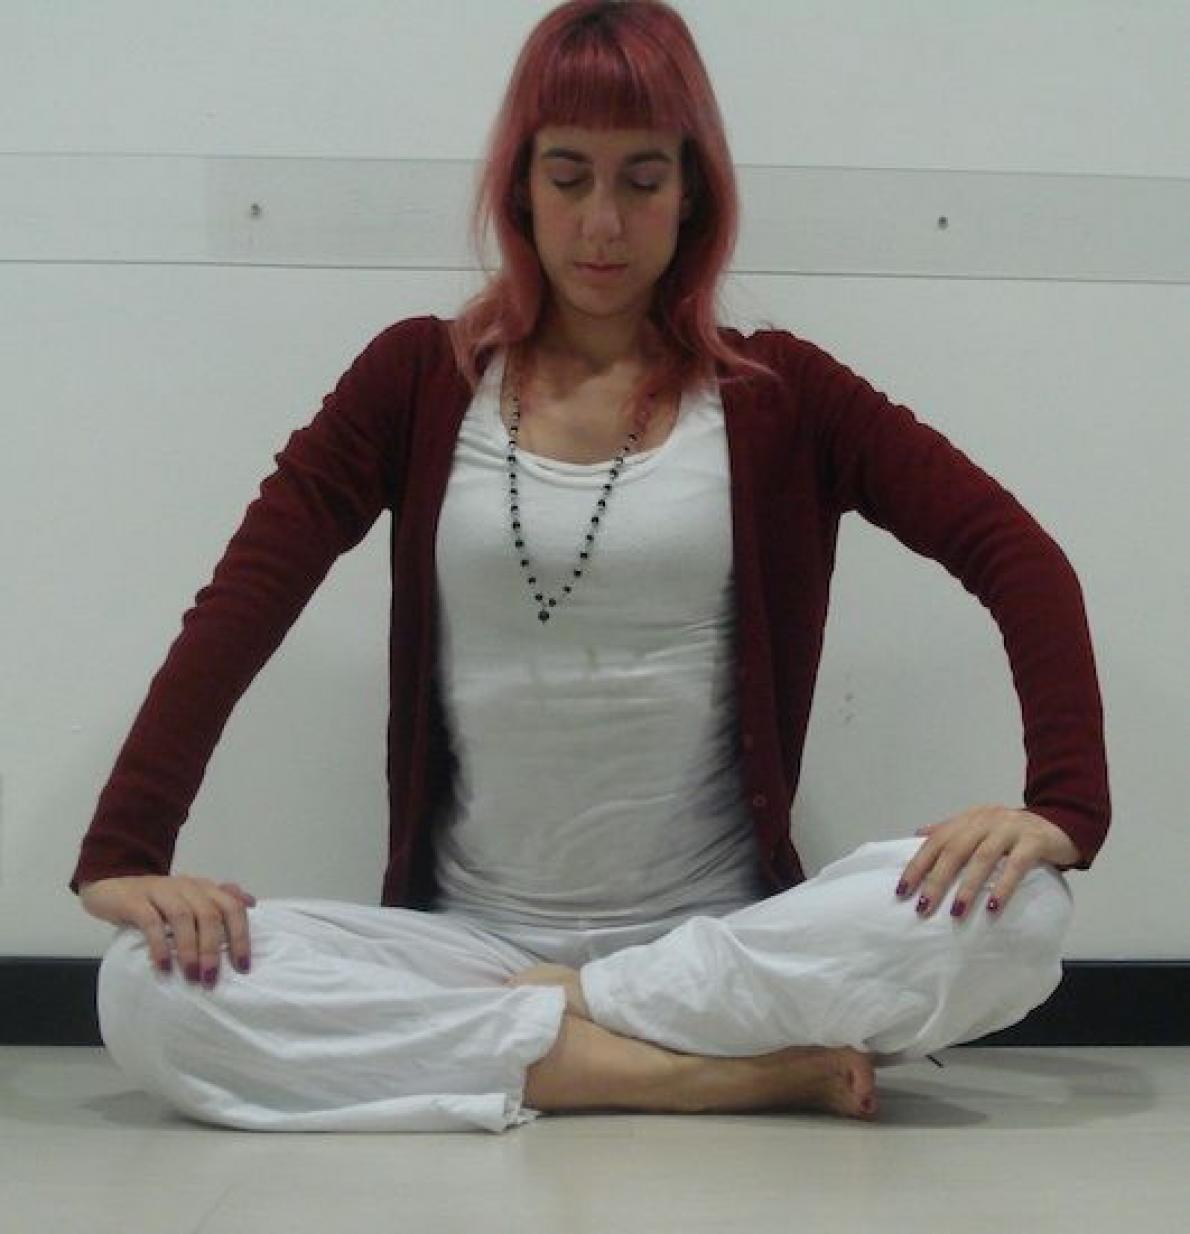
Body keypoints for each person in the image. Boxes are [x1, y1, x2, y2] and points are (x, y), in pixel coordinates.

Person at [71, 0, 1109, 1133]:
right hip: (467, 944)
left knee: (1024, 917)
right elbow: (245, 600)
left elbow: (1017, 555)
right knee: (145, 992)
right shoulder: (414, 381)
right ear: (519, 186)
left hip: (718, 939)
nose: (602, 222)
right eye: (567, 176)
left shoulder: (780, 395)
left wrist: (1061, 807)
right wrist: (126, 848)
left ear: (693, 191)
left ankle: (572, 1022)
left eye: (642, 179)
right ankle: (698, 1072)